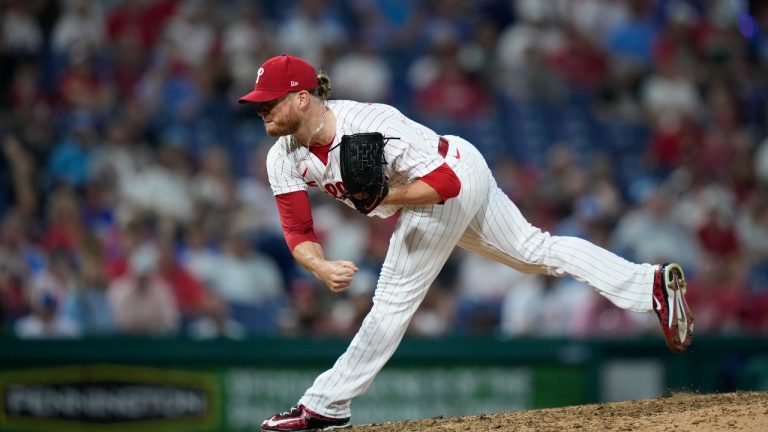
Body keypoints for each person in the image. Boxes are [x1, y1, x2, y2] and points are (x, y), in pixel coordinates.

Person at [239, 54, 694, 431]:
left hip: (446, 177)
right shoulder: (282, 157)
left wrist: (388, 196)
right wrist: (320, 266)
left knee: (392, 300)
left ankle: (325, 405)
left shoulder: (369, 123)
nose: (262, 110)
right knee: (533, 251)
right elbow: (298, 231)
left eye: (270, 102)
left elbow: (447, 183)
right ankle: (649, 284)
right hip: (449, 171)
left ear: (302, 98)